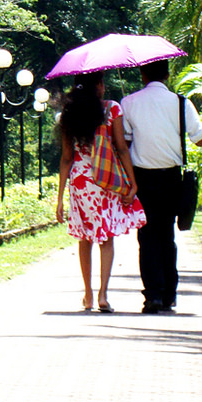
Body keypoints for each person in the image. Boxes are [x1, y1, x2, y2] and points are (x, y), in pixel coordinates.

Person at [56, 71, 145, 312]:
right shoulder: (112, 110)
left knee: (84, 238)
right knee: (106, 238)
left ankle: (87, 295)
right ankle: (103, 295)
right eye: (102, 83)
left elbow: (66, 158)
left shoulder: (68, 114)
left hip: (80, 180)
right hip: (104, 179)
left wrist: (60, 199)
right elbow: (122, 149)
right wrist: (132, 183)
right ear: (98, 86)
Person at [121, 59, 202, 314]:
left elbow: (124, 141)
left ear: (142, 74)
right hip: (171, 178)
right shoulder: (181, 103)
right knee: (167, 236)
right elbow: (200, 140)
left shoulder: (129, 102)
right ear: (168, 75)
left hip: (141, 179)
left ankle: (153, 297)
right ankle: (169, 294)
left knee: (147, 237)